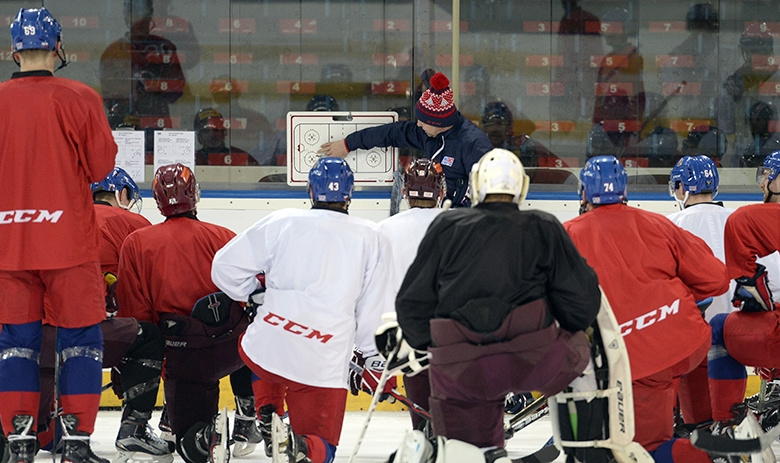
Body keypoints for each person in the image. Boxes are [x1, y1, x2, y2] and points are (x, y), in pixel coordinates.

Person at [392, 148, 601, 458]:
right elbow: (582, 304)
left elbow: (410, 305)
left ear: (477, 186)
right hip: (532, 361)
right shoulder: (544, 226)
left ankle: (479, 451)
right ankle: (583, 445)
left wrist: (436, 348)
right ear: (521, 188)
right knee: (588, 362)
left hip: (460, 366)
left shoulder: (447, 227)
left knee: (465, 449)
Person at [211, 157, 395, 463]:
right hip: (322, 360)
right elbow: (373, 309)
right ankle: (299, 448)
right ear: (350, 194)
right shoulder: (372, 236)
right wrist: (372, 360)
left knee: (266, 345)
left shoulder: (281, 221)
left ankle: (266, 412)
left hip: (267, 347)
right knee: (322, 447)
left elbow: (223, 268)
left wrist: (254, 294)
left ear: (311, 191)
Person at [0, 7, 118, 463]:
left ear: (14, 48)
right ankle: (76, 443)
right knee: (82, 341)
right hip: (68, 244)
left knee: (14, 344)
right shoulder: (80, 97)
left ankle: (18, 441)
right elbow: (103, 168)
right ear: (57, 46)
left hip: (9, 248)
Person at [563, 155, 730, 461]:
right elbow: (717, 279)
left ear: (584, 194)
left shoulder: (567, 235)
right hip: (680, 343)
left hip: (629, 359)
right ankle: (705, 427)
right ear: (624, 192)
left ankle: (716, 456)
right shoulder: (657, 223)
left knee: (643, 451)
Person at [116, 164, 258, 463]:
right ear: (195, 194)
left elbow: (139, 318)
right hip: (232, 351)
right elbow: (247, 296)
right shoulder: (224, 236)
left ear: (157, 199)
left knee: (191, 445)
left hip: (184, 360)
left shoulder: (137, 243)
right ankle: (248, 416)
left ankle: (191, 427)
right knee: (252, 330)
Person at [35, 167, 172, 462]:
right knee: (148, 336)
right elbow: (142, 295)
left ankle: (30, 428)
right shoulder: (131, 223)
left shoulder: (51, 220)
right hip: (82, 333)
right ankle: (134, 428)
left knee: (46, 436)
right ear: (121, 194)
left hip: (28, 337)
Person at [317, 72, 493, 207]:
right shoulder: (426, 132)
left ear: (438, 122)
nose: (418, 124)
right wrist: (348, 144)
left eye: (423, 121)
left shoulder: (475, 145)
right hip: (436, 218)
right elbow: (390, 133)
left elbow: (487, 194)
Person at [707, 151, 780, 436]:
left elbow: (752, 299)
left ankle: (726, 425)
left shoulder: (750, 219)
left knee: (720, 328)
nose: (762, 182)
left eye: (768, 175)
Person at [375, 158, 446, 431]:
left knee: (421, 417)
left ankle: (422, 435)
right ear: (440, 190)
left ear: (405, 191)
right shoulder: (459, 224)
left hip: (406, 333)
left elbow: (374, 286)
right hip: (453, 333)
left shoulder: (384, 229)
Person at [100, 0, 185, 160]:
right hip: (125, 127)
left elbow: (178, 90)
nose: (140, 22)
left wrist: (153, 85)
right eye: (135, 16)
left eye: (143, 16)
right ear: (126, 18)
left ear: (151, 16)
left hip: (159, 126)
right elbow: (110, 98)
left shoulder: (165, 47)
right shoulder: (113, 52)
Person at [715, 23, 779, 167]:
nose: (754, 56)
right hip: (742, 157)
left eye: (759, 50)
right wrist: (730, 96)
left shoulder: (777, 79)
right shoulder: (735, 83)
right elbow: (726, 128)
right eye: (750, 50)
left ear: (769, 50)